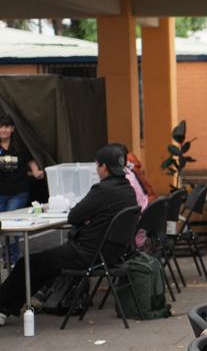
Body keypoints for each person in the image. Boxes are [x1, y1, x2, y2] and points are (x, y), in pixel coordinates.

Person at [0, 144, 137, 326]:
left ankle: (3, 305)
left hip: (87, 254)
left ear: (104, 167)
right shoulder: (128, 190)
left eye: (97, 166)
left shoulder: (102, 191)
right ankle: (7, 307)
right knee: (43, 264)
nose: (97, 170)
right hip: (112, 254)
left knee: (29, 263)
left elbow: (73, 216)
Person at [0, 113, 45, 263]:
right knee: (2, 225)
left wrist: (35, 171)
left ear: (12, 129)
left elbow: (30, 160)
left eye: (7, 127)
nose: (3, 130)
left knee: (12, 223)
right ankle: (7, 257)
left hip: (18, 190)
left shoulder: (19, 145)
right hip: (1, 191)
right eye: (1, 127)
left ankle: (12, 258)